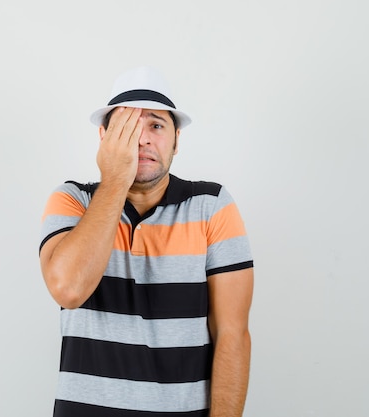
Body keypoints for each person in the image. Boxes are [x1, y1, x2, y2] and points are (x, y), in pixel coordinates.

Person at [39, 66, 254, 417]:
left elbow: (233, 335)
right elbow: (69, 289)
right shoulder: (73, 201)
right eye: (127, 129)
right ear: (104, 139)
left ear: (176, 140)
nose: (141, 140)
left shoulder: (211, 206)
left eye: (155, 125)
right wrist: (114, 181)